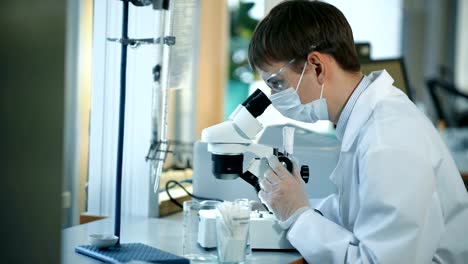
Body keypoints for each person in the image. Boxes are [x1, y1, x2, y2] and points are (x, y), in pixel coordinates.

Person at [248, 1, 468, 263]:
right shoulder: (367, 117)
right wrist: (288, 203)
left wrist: (297, 215)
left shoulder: (388, 138)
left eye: (277, 83)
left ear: (316, 66)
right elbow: (355, 212)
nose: (274, 96)